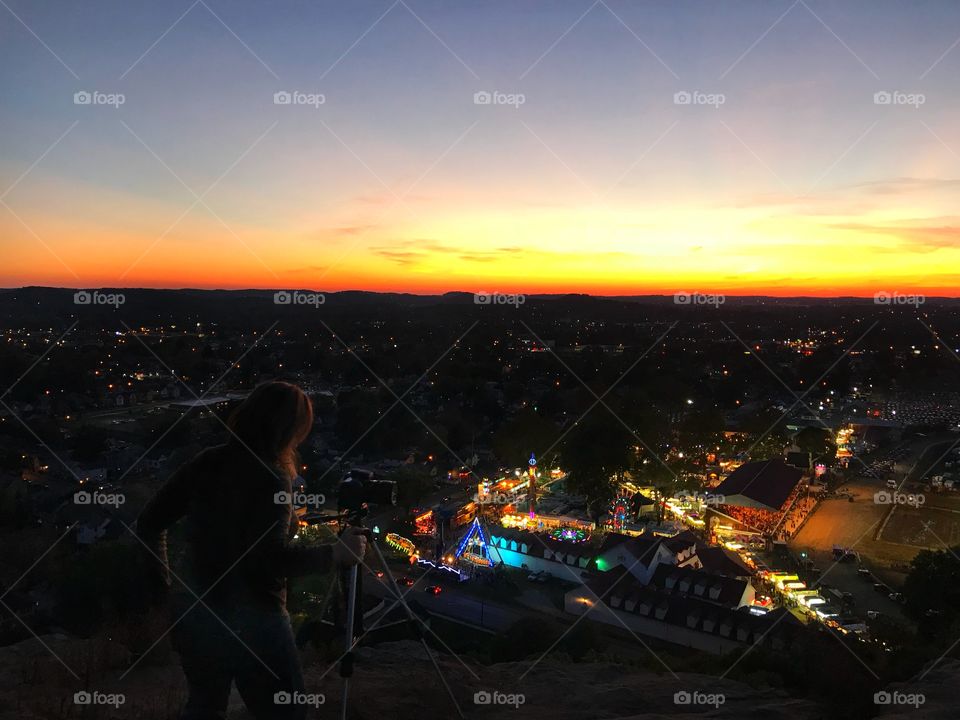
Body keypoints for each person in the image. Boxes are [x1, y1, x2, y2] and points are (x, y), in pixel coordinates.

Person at [137, 381, 366, 720]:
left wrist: (166, 592)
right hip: (255, 619)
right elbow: (266, 560)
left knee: (205, 708)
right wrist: (334, 554)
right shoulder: (273, 478)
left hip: (196, 611)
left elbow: (149, 523)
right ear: (291, 430)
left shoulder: (208, 461)